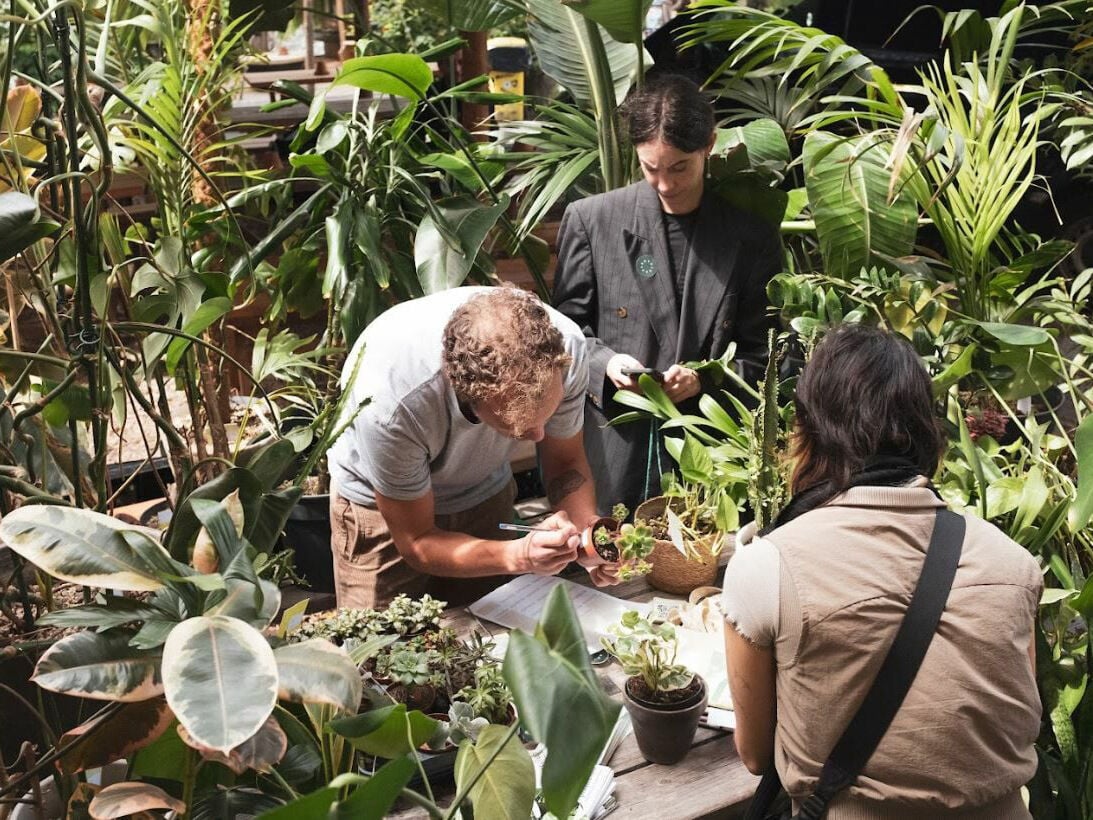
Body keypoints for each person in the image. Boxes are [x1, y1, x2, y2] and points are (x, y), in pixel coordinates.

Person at [722, 324, 1042, 818]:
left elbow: (756, 754)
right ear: (927, 433)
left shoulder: (768, 565)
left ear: (807, 431)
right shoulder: (1014, 564)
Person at [552, 73, 782, 515]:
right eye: (649, 168)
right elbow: (565, 333)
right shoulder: (592, 220)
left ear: (708, 145)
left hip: (712, 455)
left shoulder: (751, 236)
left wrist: (704, 377)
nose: (664, 184)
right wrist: (607, 363)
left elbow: (769, 352)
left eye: (679, 167)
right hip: (614, 447)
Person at [328, 286, 618, 609]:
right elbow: (418, 541)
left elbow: (565, 463)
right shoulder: (393, 401)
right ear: (466, 395)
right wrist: (518, 555)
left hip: (483, 490)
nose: (538, 436)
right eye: (516, 429)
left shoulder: (567, 352)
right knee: (377, 646)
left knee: (493, 633)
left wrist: (589, 537)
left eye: (545, 418)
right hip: (382, 509)